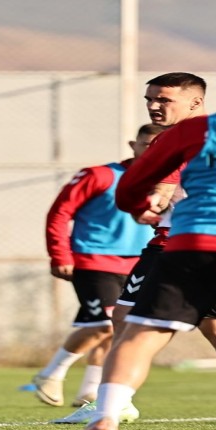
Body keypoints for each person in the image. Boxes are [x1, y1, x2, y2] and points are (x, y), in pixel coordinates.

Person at [69, 49, 216, 430]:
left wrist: (138, 207)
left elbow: (130, 187)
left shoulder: (196, 130)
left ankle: (104, 417)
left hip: (190, 245)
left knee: (140, 333)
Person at [28, 124, 162, 411]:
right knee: (104, 324)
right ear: (133, 145)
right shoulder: (100, 175)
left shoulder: (169, 182)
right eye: (147, 144)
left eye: (159, 145)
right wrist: (60, 255)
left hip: (140, 263)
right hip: (94, 260)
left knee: (115, 328)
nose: (153, 151)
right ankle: (51, 374)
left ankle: (90, 391)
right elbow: (60, 212)